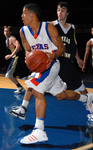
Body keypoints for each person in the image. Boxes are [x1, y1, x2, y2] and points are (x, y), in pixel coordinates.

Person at [9, 3, 93, 144]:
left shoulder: (48, 28)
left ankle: (39, 130)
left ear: (32, 14)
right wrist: (28, 56)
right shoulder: (23, 31)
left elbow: (61, 48)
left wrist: (52, 56)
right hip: (40, 68)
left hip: (52, 64)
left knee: (35, 87)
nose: (21, 16)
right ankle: (88, 98)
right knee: (61, 95)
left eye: (24, 13)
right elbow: (28, 50)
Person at [49, 1, 87, 94]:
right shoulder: (51, 25)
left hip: (67, 62)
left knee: (78, 88)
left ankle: (89, 103)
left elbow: (73, 45)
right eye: (58, 10)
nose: (60, 12)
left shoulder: (72, 27)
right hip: (55, 62)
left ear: (67, 13)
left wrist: (78, 59)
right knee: (36, 86)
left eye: (62, 10)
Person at [4, 26, 30, 94]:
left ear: (10, 32)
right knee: (24, 75)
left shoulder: (12, 38)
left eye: (7, 31)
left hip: (17, 58)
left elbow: (18, 46)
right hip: (16, 58)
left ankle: (20, 87)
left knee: (9, 74)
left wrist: (11, 55)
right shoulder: (7, 39)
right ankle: (36, 84)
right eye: (4, 31)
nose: (6, 33)